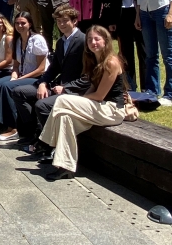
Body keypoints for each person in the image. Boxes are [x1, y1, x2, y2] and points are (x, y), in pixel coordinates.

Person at [38, 25, 128, 180]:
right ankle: (65, 167)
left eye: (97, 39)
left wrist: (77, 101)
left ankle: (45, 142)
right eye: (90, 40)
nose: (93, 42)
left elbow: (99, 95)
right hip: (99, 108)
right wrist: (79, 102)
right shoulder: (95, 61)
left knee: (63, 100)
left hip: (112, 110)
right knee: (64, 117)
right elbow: (92, 88)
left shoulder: (112, 62)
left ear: (106, 40)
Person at [11, 4, 87, 150]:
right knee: (19, 92)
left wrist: (66, 87)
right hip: (58, 85)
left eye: (65, 21)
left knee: (42, 105)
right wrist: (43, 83)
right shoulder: (61, 42)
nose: (61, 24)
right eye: (59, 22)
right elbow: (53, 68)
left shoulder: (83, 41)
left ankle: (50, 144)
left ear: (74, 21)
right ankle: (33, 134)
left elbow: (88, 76)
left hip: (76, 89)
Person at [0, 12, 49, 141]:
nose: (20, 26)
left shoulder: (37, 40)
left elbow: (41, 69)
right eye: (17, 23)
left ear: (30, 24)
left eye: (23, 23)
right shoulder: (18, 40)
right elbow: (15, 65)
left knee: (8, 87)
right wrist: (15, 76)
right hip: (21, 75)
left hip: (37, 77)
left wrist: (20, 79)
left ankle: (13, 128)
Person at [117, 0, 146, 91]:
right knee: (126, 54)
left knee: (143, 52)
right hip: (123, 15)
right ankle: (130, 87)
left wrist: (138, 16)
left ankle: (146, 88)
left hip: (137, 13)